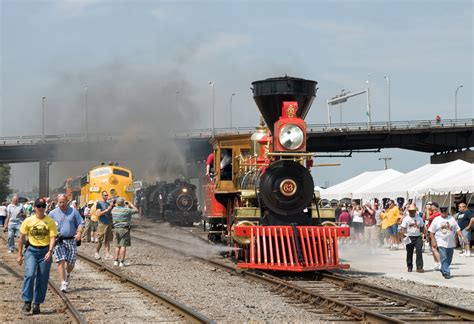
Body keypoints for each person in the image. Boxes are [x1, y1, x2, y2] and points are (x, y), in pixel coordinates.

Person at [17, 198, 58, 314]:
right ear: (34, 207)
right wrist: (19, 254)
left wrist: (50, 251)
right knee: (29, 275)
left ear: (45, 207)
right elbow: (21, 238)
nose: (40, 208)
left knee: (42, 278)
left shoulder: (50, 221)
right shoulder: (28, 221)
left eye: (43, 206)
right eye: (38, 206)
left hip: (45, 251)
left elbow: (52, 237)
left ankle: (37, 303)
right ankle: (27, 301)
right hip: (31, 251)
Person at [49, 194, 84, 292]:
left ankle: (68, 273)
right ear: (57, 202)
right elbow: (47, 224)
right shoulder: (52, 213)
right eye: (60, 202)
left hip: (71, 240)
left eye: (63, 202)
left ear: (67, 201)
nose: (61, 204)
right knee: (61, 260)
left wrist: (79, 233)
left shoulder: (74, 212)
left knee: (71, 263)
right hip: (59, 240)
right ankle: (63, 282)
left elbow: (81, 223)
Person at [429, 206, 468, 279]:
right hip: (440, 241)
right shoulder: (436, 219)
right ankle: (447, 272)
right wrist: (433, 240)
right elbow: (431, 231)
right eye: (443, 212)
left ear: (447, 212)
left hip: (451, 242)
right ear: (440, 212)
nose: (444, 214)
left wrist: (462, 237)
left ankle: (443, 269)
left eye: (445, 212)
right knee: (443, 257)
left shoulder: (451, 219)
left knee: (449, 258)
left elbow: (457, 229)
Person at [111, 197, 138, 267]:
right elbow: (136, 210)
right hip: (124, 229)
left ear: (117, 203)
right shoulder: (127, 210)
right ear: (123, 203)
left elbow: (115, 206)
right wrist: (131, 205)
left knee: (117, 245)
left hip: (116, 229)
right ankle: (122, 262)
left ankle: (115, 261)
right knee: (123, 246)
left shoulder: (114, 210)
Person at [400, 204, 425, 273]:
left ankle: (419, 267)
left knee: (419, 251)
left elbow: (422, 227)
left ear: (415, 211)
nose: (412, 212)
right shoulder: (406, 219)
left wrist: (424, 235)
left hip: (418, 237)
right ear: (408, 211)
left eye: (413, 211)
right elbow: (403, 228)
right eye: (410, 211)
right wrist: (404, 236)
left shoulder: (419, 218)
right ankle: (409, 266)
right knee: (409, 252)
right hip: (409, 237)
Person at [95, 191, 114, 260]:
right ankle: (96, 252)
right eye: (105, 195)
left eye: (107, 195)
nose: (106, 196)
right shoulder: (99, 204)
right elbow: (98, 214)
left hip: (108, 223)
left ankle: (107, 254)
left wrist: (111, 208)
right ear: (102, 196)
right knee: (100, 239)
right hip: (102, 223)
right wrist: (107, 210)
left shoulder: (108, 203)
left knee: (107, 239)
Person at [427, 202, 442, 270]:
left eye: (432, 206)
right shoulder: (432, 213)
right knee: (432, 249)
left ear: (436, 207)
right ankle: (436, 263)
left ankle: (440, 263)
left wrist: (427, 210)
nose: (430, 207)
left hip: (435, 233)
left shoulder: (437, 214)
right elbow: (424, 218)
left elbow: (428, 218)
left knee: (435, 248)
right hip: (431, 231)